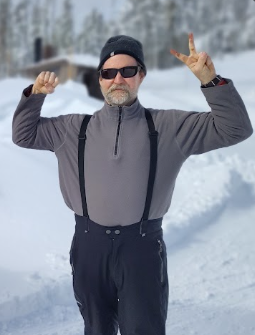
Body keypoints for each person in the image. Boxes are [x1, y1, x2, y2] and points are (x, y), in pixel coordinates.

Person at [12, 33, 253, 335]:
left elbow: (236, 129)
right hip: (89, 246)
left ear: (141, 75)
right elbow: (23, 135)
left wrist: (211, 81)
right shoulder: (73, 128)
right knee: (96, 328)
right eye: (108, 73)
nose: (118, 79)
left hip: (141, 248)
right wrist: (35, 95)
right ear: (99, 80)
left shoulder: (169, 127)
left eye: (127, 71)